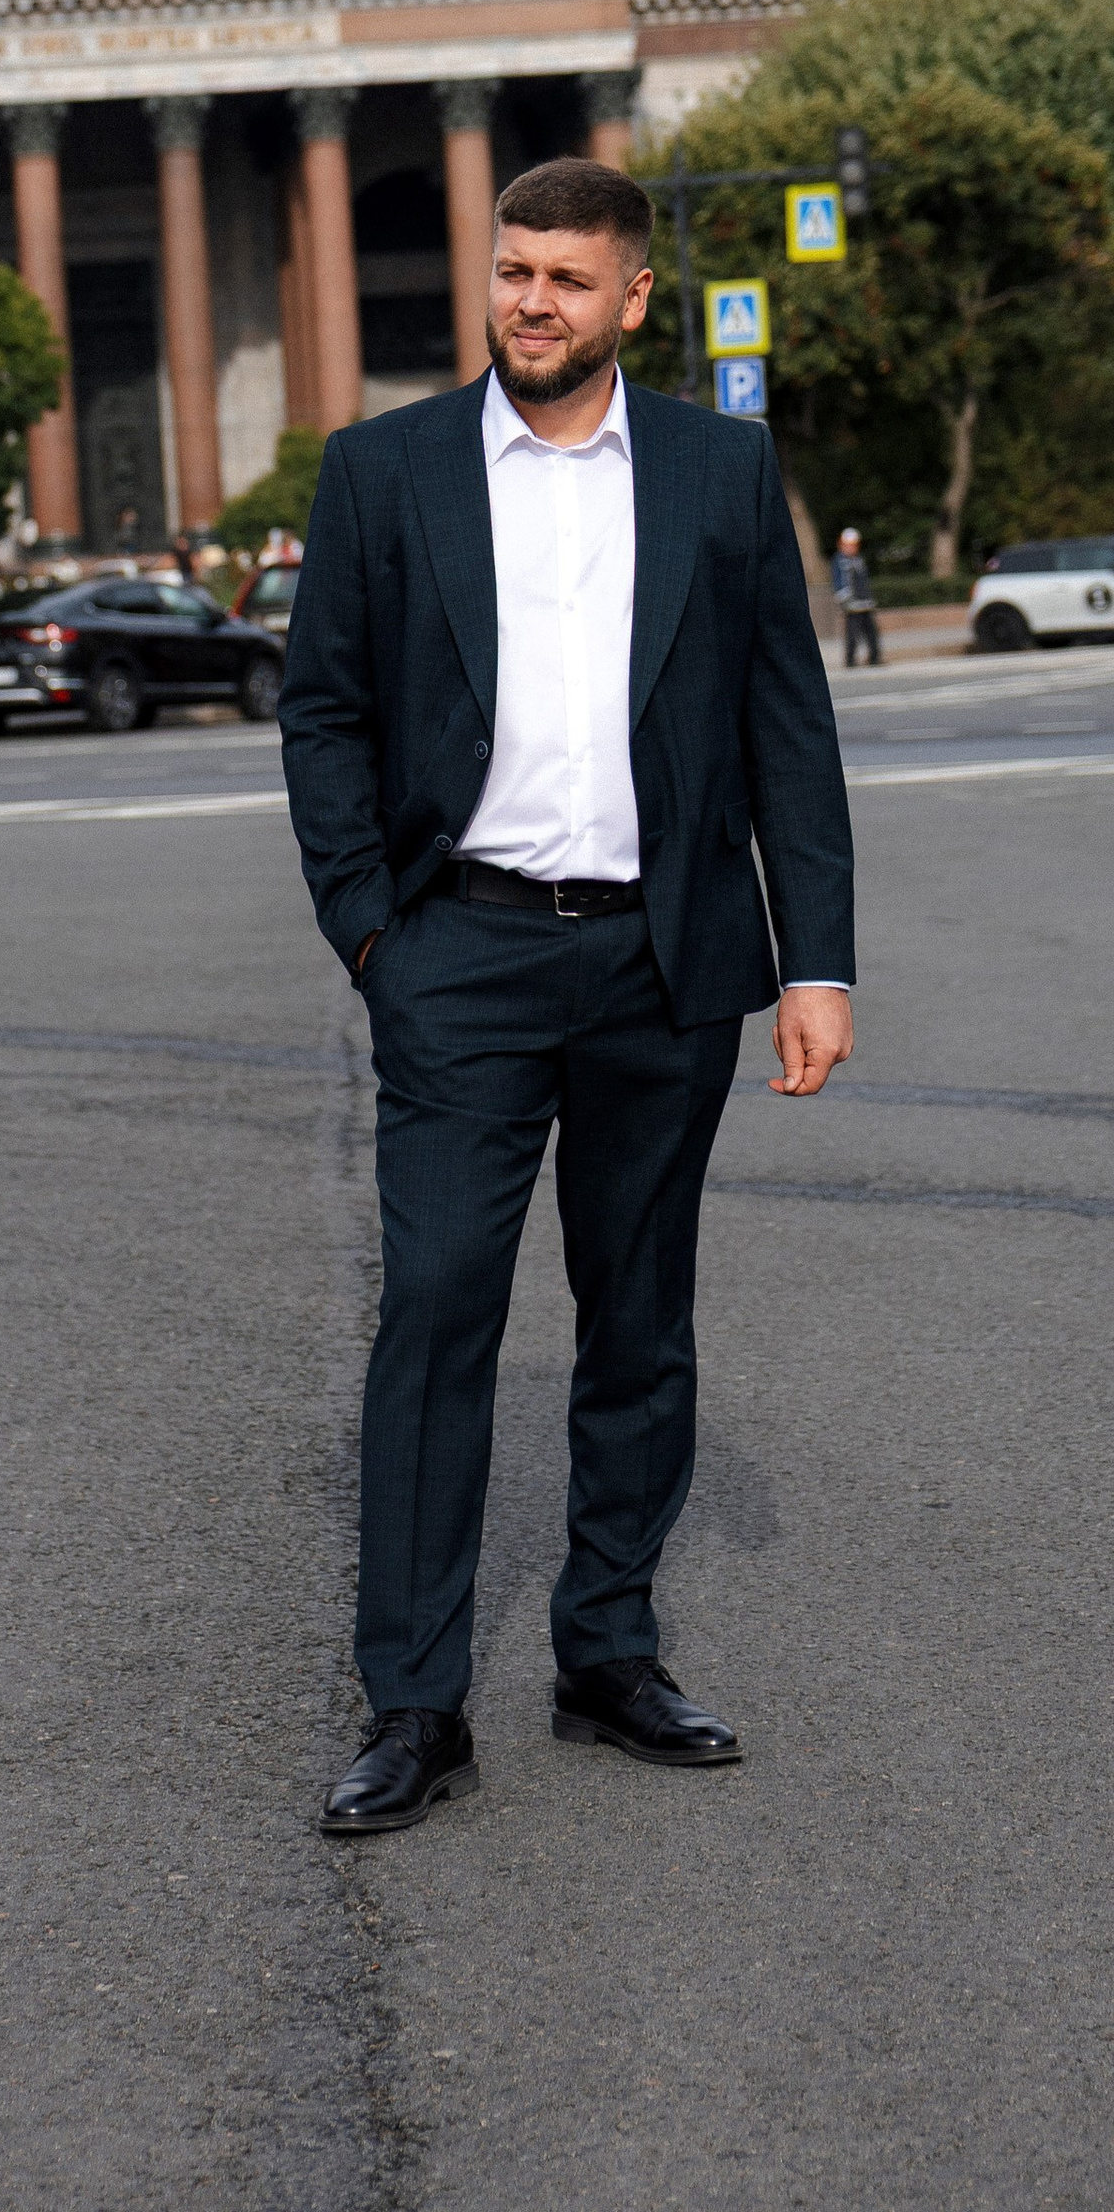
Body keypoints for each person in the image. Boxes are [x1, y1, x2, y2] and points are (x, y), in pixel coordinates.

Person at [279, 158, 855, 1835]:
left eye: (565, 280)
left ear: (633, 301)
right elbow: (322, 714)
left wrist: (812, 961)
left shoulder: (721, 471)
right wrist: (375, 934)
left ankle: (607, 1649)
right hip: (457, 951)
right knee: (440, 1306)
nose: (529, 301)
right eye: (511, 271)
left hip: (661, 962)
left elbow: (784, 735)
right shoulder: (383, 472)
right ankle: (414, 1703)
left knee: (640, 1317)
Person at [832, 527, 881, 669]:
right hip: (852, 604)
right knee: (852, 633)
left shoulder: (858, 560)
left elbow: (863, 581)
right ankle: (850, 659)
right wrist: (844, 598)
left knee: (871, 632)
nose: (852, 548)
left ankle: (874, 657)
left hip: (864, 602)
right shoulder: (840, 561)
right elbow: (839, 581)